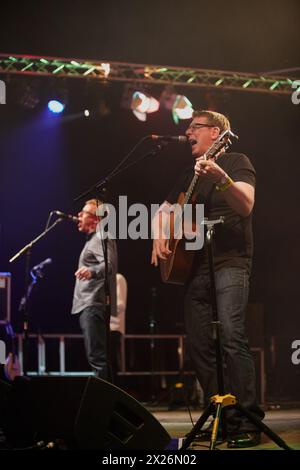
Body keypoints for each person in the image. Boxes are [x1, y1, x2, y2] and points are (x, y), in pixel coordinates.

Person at [151, 110, 264, 448]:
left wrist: (220, 178)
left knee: (231, 335)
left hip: (229, 260)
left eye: (194, 127)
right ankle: (220, 419)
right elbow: (164, 210)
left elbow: (245, 205)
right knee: (199, 343)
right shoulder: (188, 172)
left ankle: (247, 421)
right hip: (194, 265)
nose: (187, 133)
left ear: (215, 133)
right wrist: (158, 234)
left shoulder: (235, 160)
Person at [71, 199, 117, 381]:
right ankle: (110, 403)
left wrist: (91, 271)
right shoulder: (94, 239)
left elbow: (110, 264)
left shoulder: (100, 237)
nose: (78, 216)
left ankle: (102, 405)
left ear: (96, 220)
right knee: (99, 358)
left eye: (84, 213)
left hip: (92, 304)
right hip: (89, 304)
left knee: (97, 358)